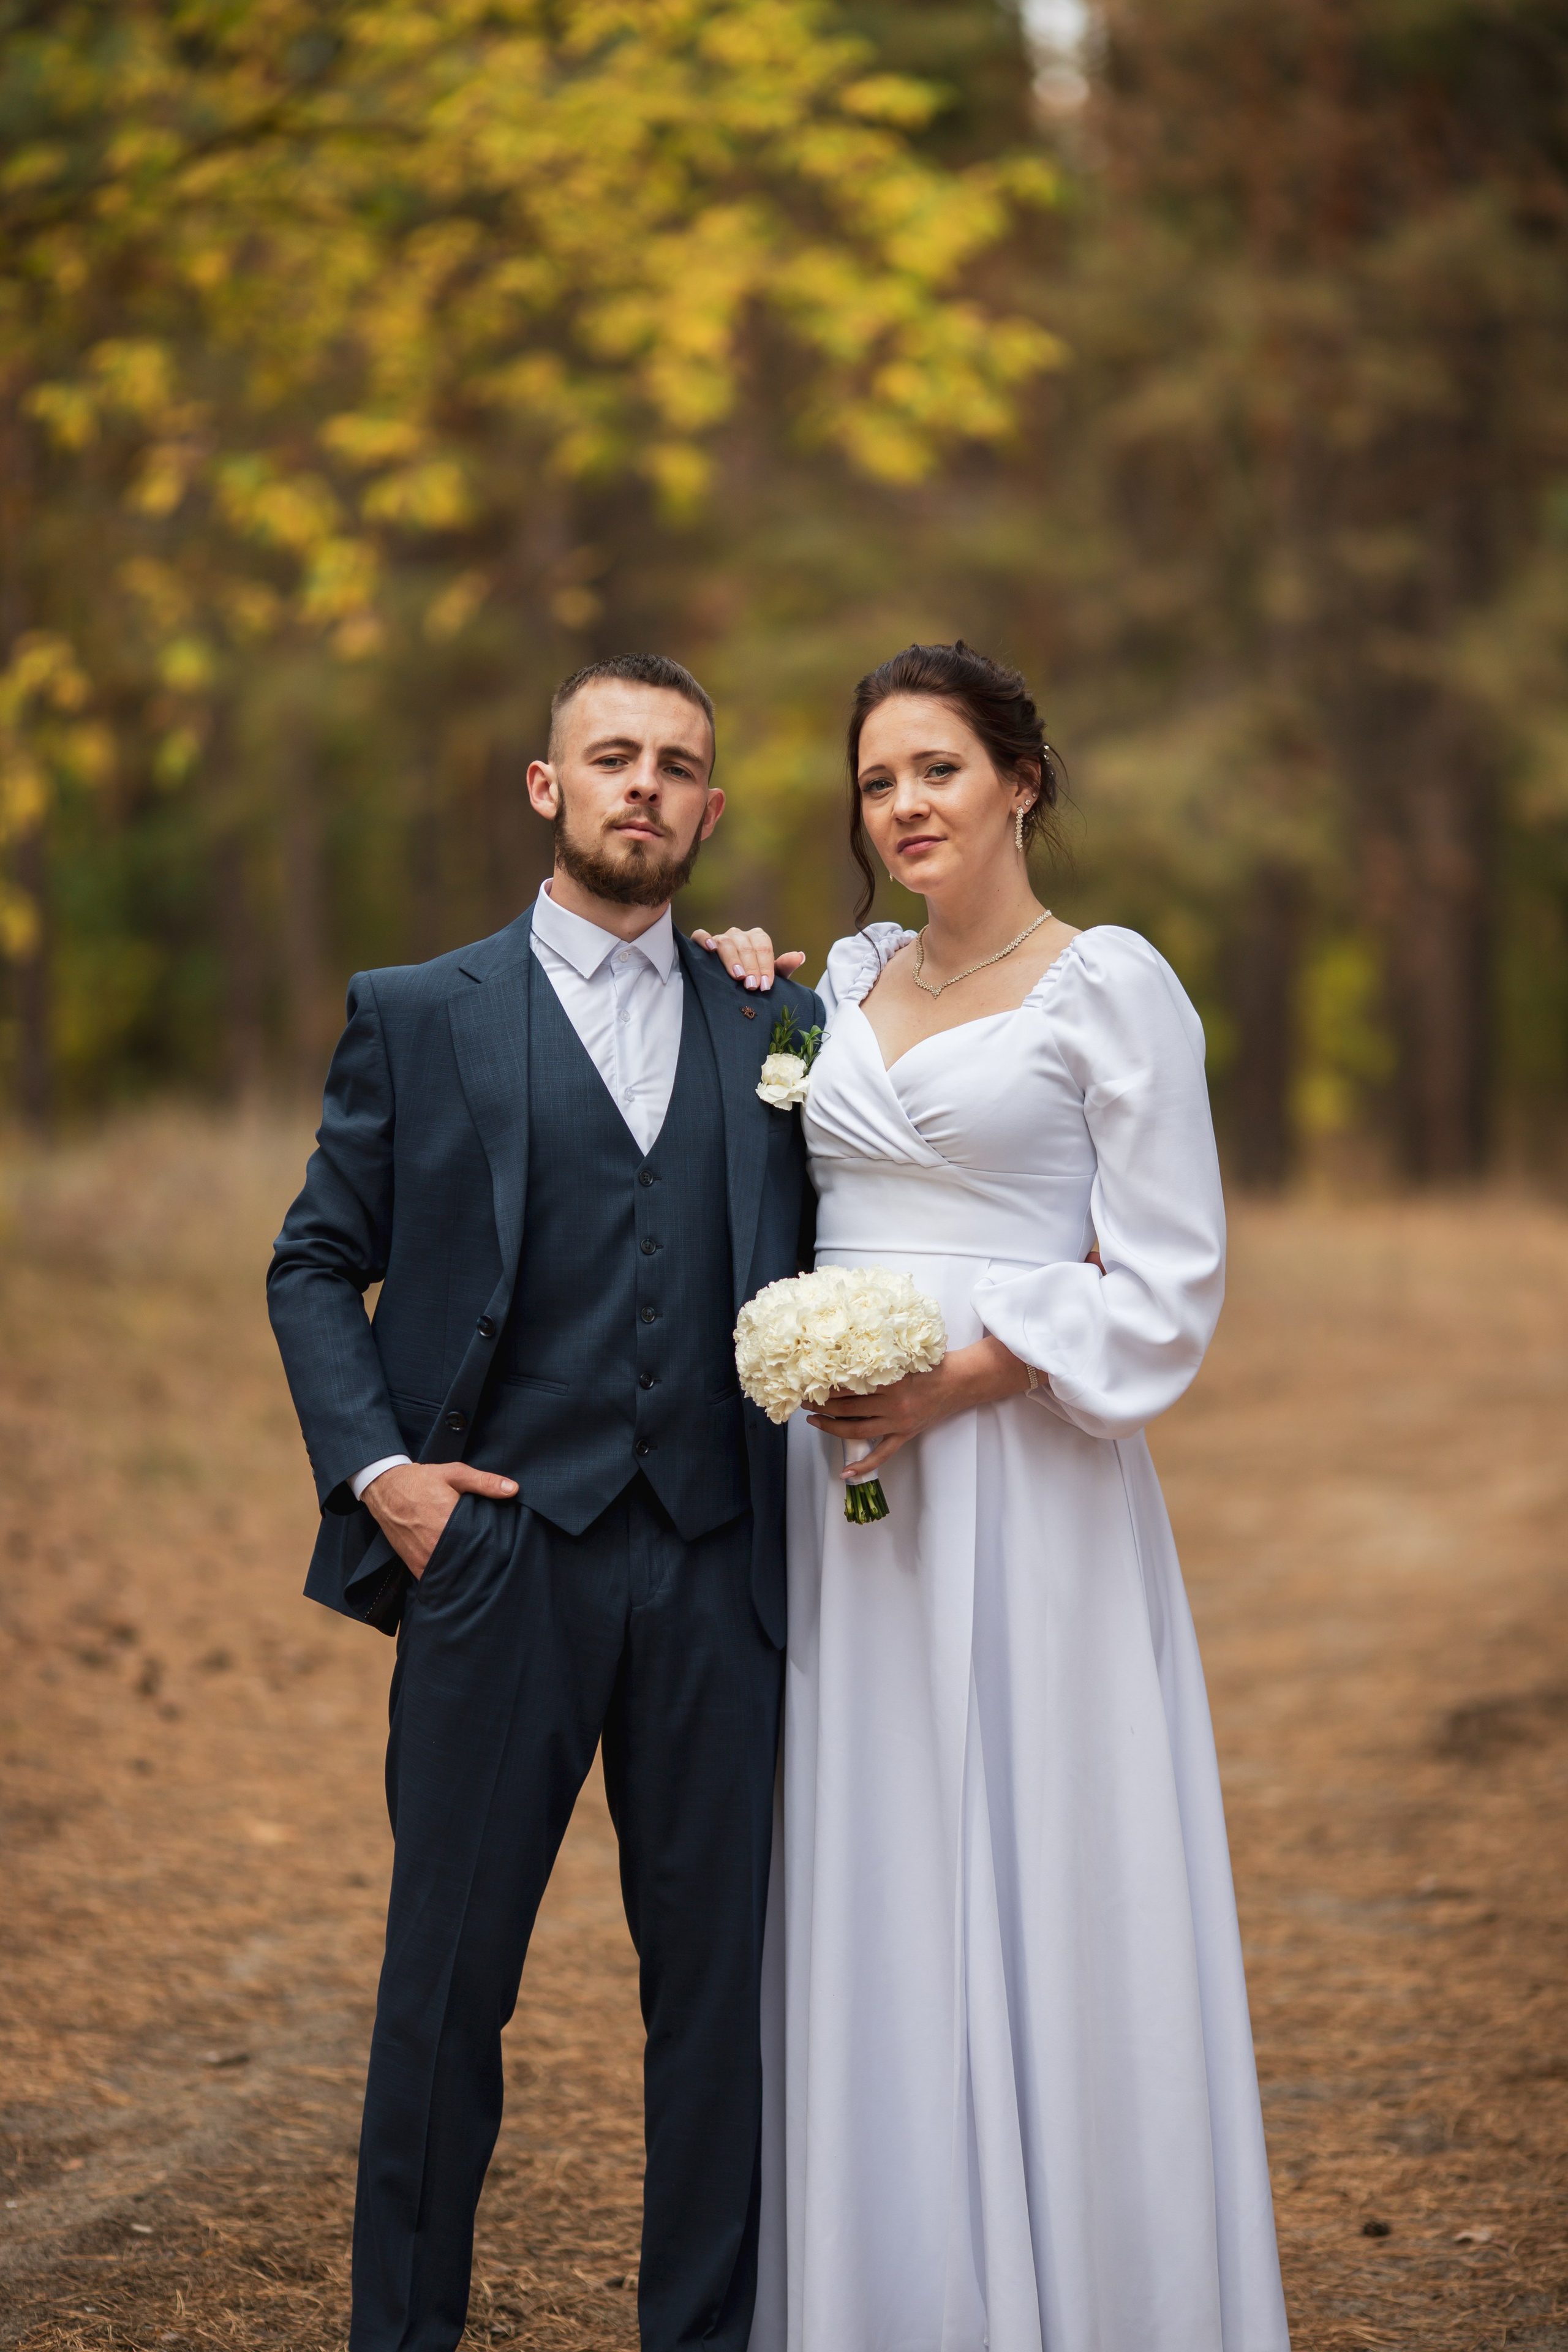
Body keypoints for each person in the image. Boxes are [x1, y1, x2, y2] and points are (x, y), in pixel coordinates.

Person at [702, 641, 1290, 2352]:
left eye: (938, 771)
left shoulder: (1111, 988)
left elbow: (1168, 1284)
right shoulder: (840, 988)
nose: (905, 809)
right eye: (878, 783)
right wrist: (736, 987)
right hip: (854, 1517)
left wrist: (958, 1379)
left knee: (1051, 1857)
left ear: (1022, 779)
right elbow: (759, 1150)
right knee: (875, 1863)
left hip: (1031, 1489)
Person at [266, 653, 823, 2352]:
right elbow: (313, 1265)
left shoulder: (775, 1020)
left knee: (720, 2011)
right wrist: (388, 1483)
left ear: (711, 810)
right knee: (444, 1996)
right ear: (546, 788)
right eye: (611, 758)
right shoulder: (421, 1011)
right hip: (499, 1560)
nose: (643, 785)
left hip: (721, 1569)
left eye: (677, 764)